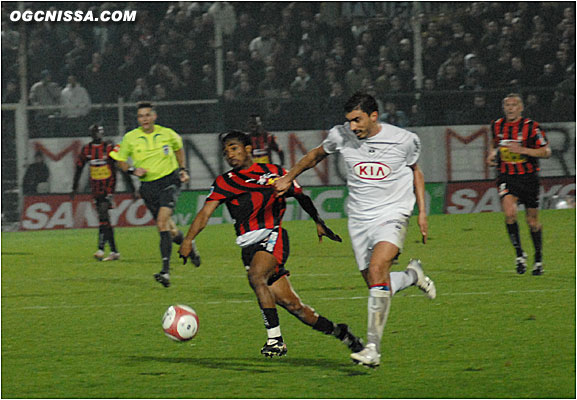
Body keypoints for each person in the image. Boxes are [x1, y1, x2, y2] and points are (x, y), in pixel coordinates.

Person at [273, 92, 436, 368]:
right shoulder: (341, 136)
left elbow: (415, 171)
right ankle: (411, 276)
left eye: (357, 120)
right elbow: (314, 156)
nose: (352, 127)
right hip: (359, 219)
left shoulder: (404, 139)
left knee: (377, 270)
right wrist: (289, 177)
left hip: (393, 213)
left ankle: (373, 348)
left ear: (374, 116)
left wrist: (421, 212)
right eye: (349, 121)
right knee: (376, 284)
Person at [178, 130, 364, 358]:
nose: (229, 154)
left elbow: (300, 195)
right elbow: (205, 213)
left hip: (272, 236)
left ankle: (275, 340)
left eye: (234, 148)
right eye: (226, 151)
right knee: (294, 306)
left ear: (248, 149)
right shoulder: (225, 182)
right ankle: (342, 334)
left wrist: (318, 221)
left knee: (256, 277)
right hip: (248, 248)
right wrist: (188, 239)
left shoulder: (274, 173)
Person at [110, 102, 192, 287]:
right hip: (148, 186)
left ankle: (165, 272)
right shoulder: (130, 138)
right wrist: (132, 170)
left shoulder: (167, 133)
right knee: (169, 229)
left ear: (154, 116)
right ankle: (188, 245)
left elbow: (179, 149)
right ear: (138, 119)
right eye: (141, 116)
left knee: (161, 223)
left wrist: (183, 169)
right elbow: (119, 160)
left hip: (169, 182)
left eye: (147, 115)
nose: (145, 119)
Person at [486, 93, 551, 276]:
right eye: (507, 105)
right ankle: (519, 254)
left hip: (529, 178)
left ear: (521, 108)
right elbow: (495, 144)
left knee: (532, 221)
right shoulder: (497, 125)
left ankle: (538, 258)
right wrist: (492, 154)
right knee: (510, 214)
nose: (510, 108)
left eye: (514, 105)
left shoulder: (531, 127)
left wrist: (522, 150)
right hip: (507, 177)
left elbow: (546, 151)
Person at [72, 124, 135, 261]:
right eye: (95, 132)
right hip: (96, 189)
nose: (97, 135)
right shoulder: (87, 149)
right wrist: (74, 187)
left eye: (99, 132)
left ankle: (100, 249)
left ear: (103, 133)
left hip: (108, 188)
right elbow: (79, 168)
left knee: (102, 214)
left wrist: (132, 188)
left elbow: (121, 166)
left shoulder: (109, 148)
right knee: (105, 219)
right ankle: (114, 251)